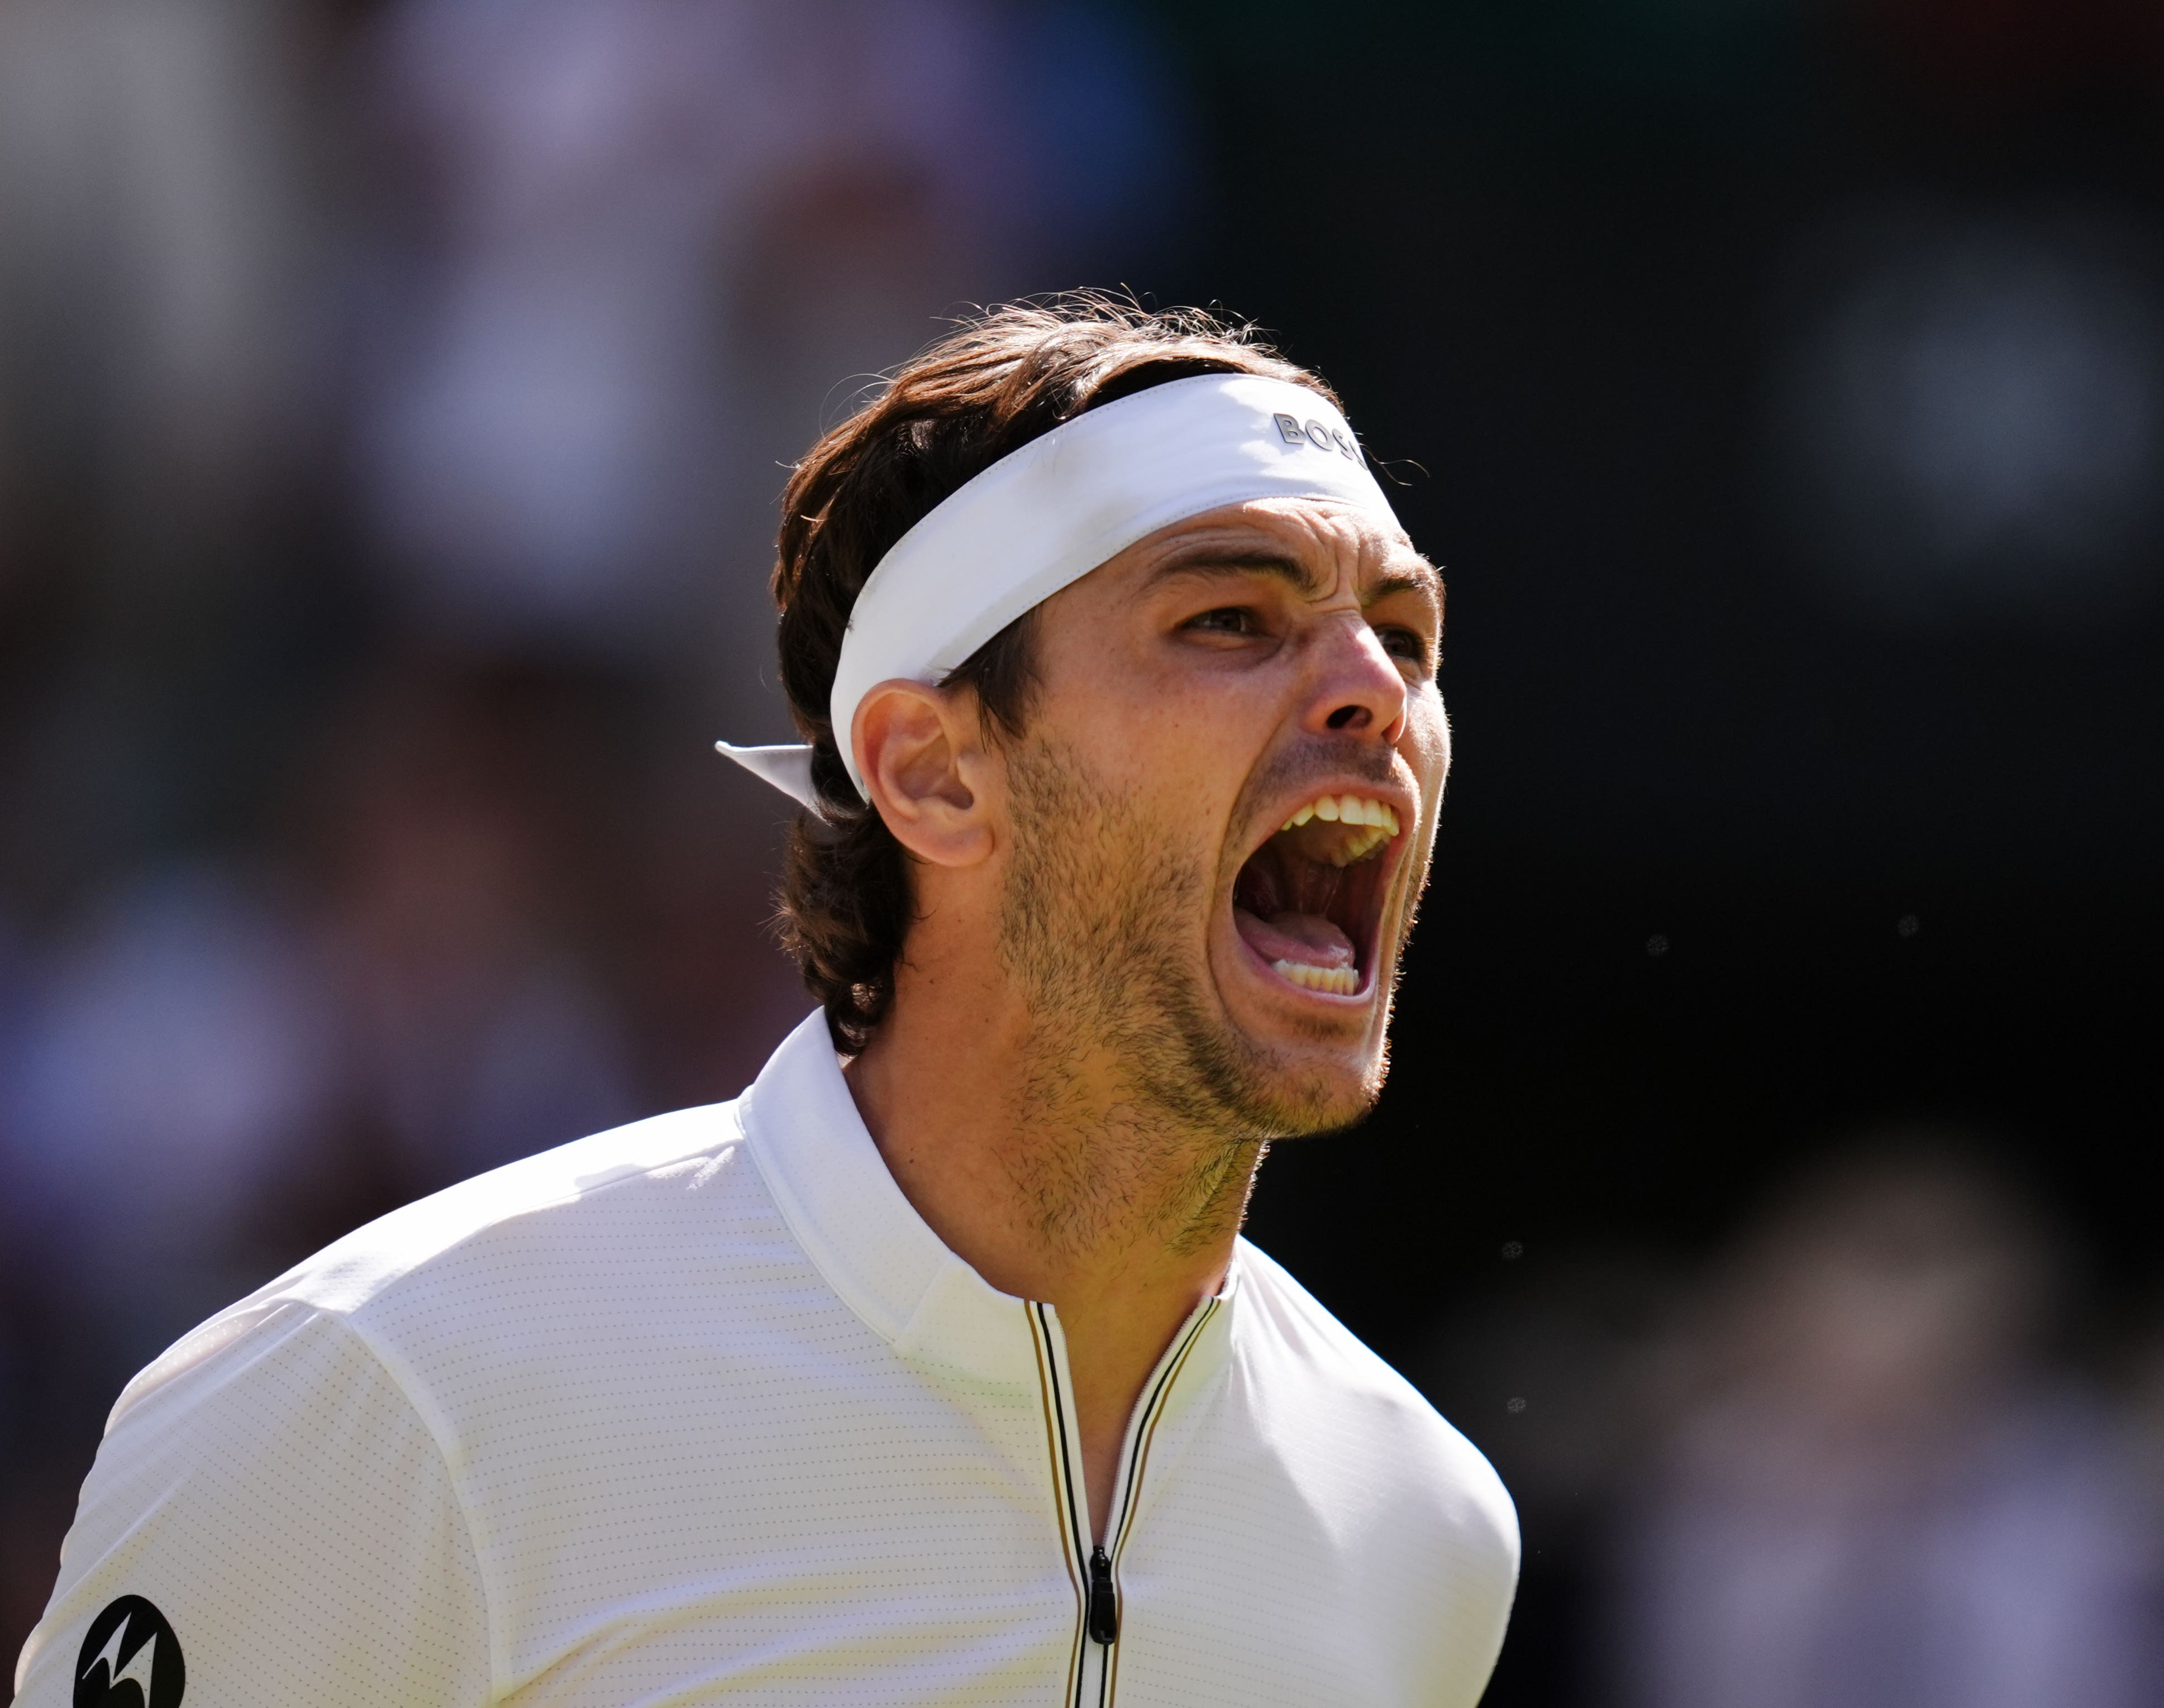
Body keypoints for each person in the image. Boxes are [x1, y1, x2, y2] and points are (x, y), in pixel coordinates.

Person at [13, 300, 1518, 1707]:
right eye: (1230, 618)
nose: (1374, 689)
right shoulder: (390, 1397)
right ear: (932, 771)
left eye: (1405, 635)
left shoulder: (1424, 1532)